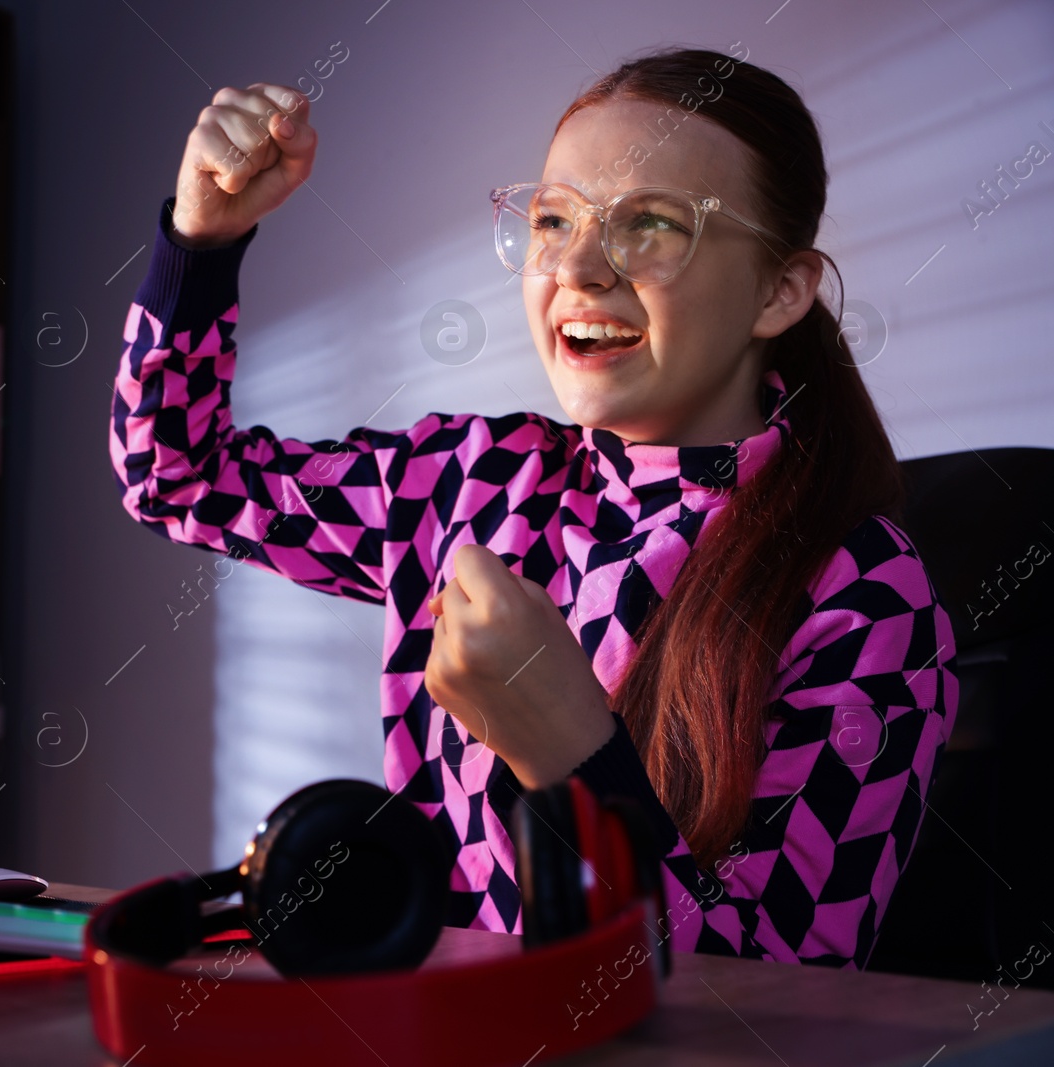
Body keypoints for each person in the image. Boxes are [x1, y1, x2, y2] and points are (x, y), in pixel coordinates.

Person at [108, 46, 957, 968]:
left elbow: (784, 990)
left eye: (655, 226)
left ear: (780, 290)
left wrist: (571, 753)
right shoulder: (465, 480)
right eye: (555, 219)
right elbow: (174, 475)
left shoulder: (866, 595)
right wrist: (202, 244)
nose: (580, 267)